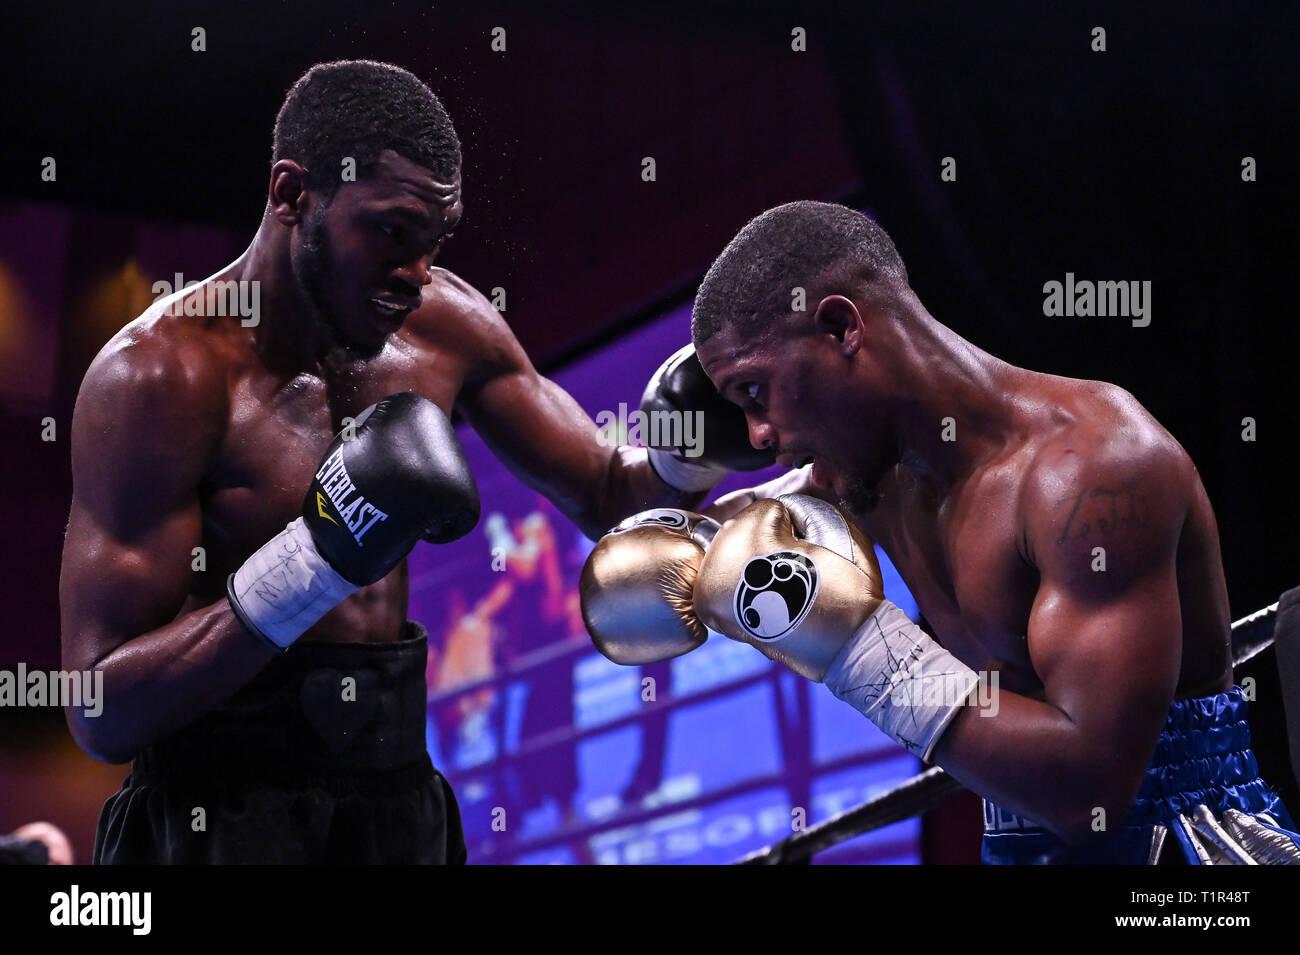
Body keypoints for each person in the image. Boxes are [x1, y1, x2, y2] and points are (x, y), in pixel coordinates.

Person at [59, 60, 762, 864]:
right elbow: (98, 706)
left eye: (434, 243)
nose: (417, 275)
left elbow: (606, 491)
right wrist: (313, 561)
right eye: (392, 234)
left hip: (396, 807)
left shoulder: (446, 325)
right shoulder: (157, 379)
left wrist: (688, 448)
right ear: (292, 196)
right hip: (216, 814)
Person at [581, 200, 1300, 864]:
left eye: (755, 391)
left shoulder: (1091, 470)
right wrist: (684, 543)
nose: (763, 435)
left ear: (841, 327)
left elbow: (1093, 793)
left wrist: (854, 647)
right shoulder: (865, 476)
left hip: (1189, 853)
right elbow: (718, 536)